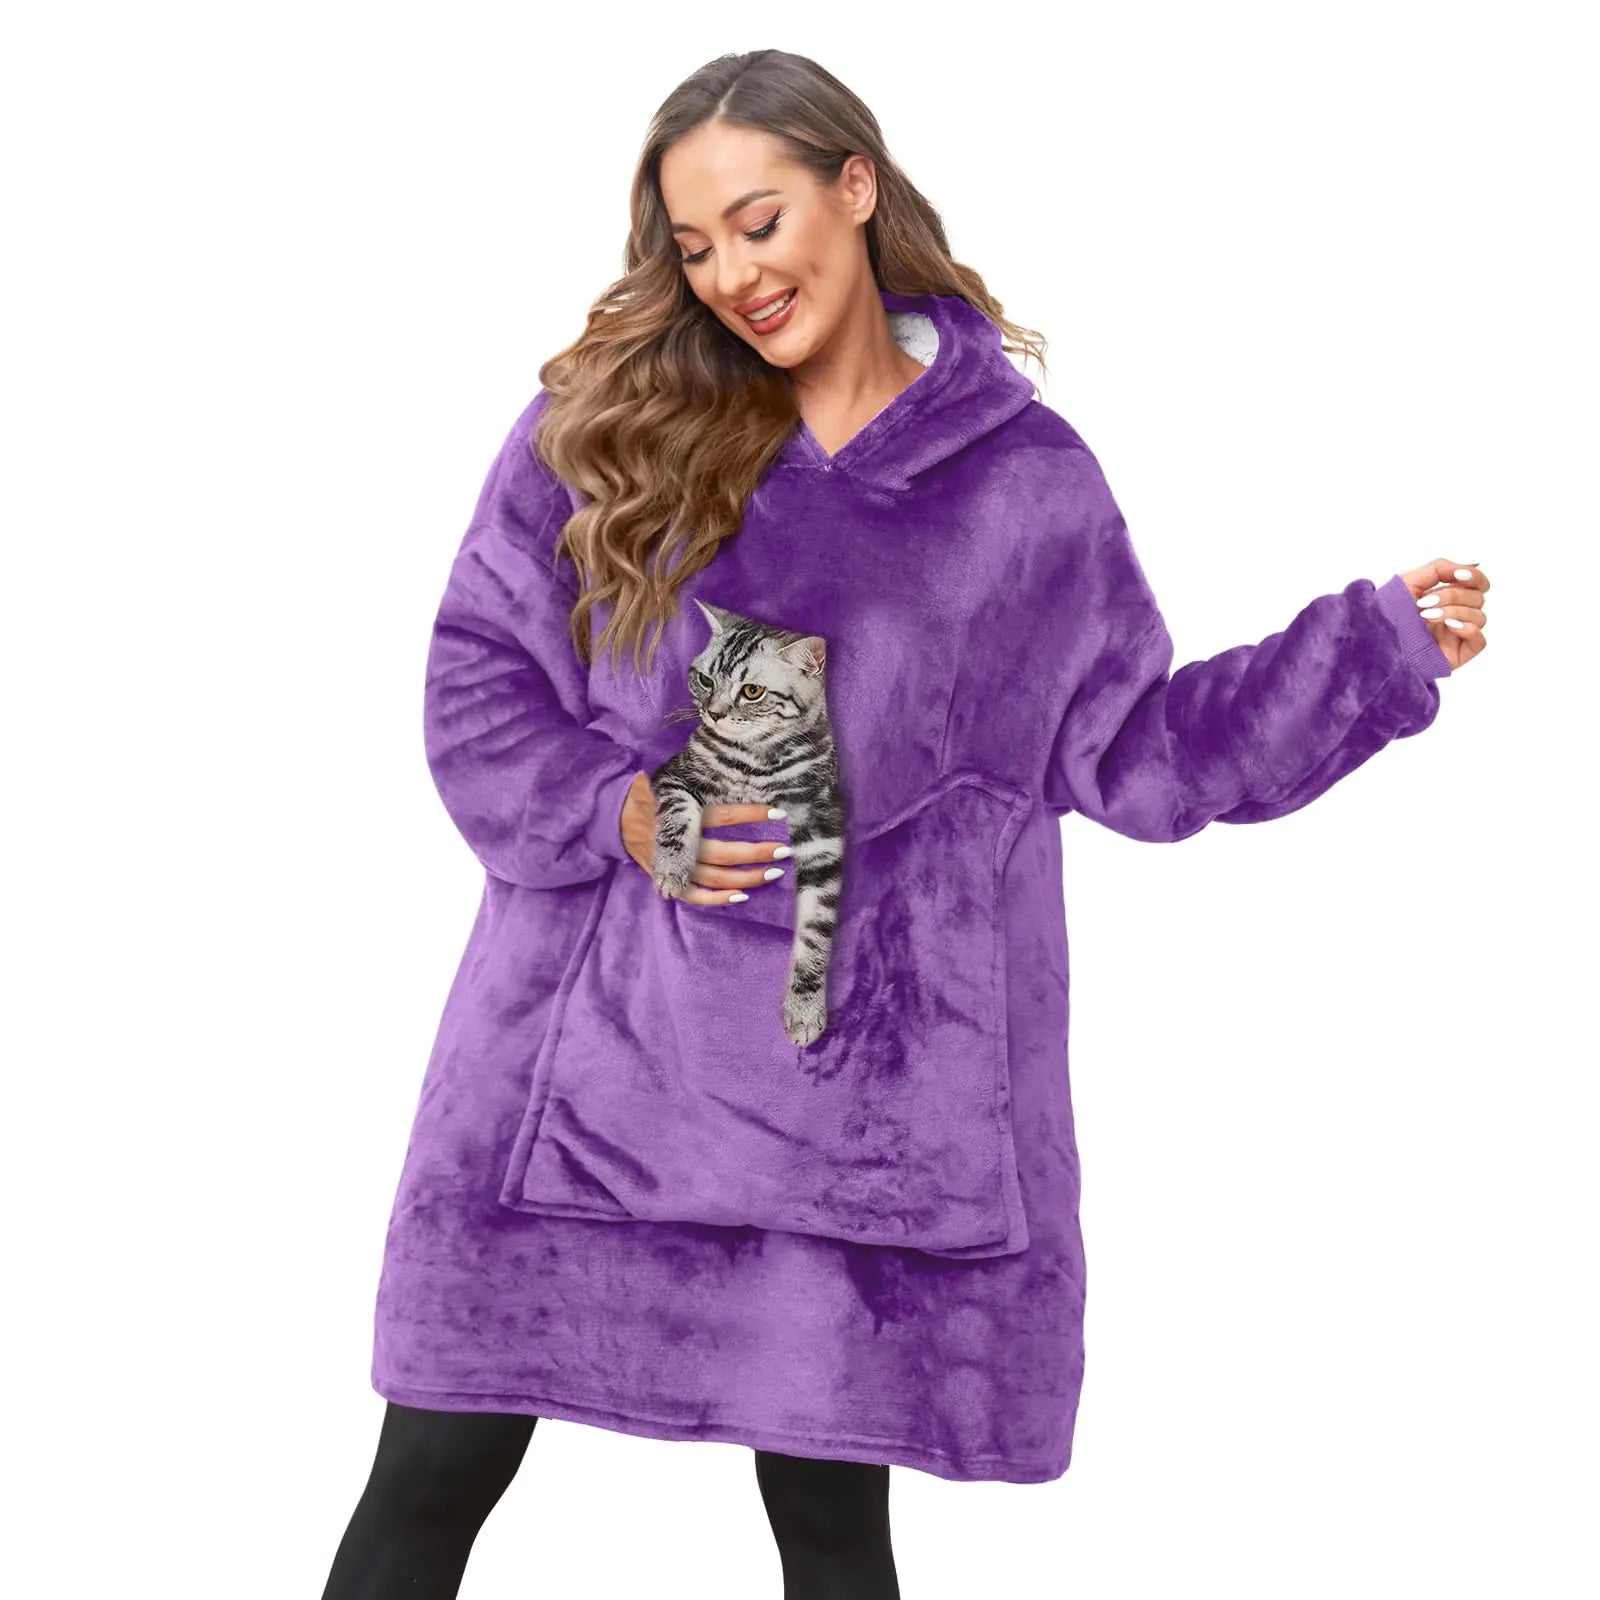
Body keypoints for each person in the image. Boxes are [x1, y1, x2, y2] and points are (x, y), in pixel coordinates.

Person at [323, 47, 1488, 1600]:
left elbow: (1135, 752)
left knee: (830, 1529)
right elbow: (478, 682)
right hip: (570, 1090)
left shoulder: (1022, 489)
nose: (733, 275)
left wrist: (1367, 653)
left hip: (850, 1121)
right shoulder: (603, 427)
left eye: (760, 222)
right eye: (695, 245)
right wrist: (623, 812)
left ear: (855, 187)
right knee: (428, 1480)